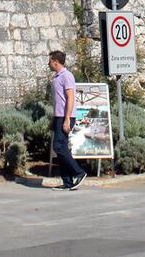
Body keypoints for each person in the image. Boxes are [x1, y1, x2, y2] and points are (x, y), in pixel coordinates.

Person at [48, 50, 86, 190]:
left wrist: (67, 119)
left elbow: (70, 97)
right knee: (60, 147)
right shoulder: (57, 77)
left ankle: (79, 172)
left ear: (56, 62)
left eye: (50, 61)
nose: (49, 63)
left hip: (65, 117)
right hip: (58, 116)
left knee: (58, 146)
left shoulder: (66, 76)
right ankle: (67, 182)